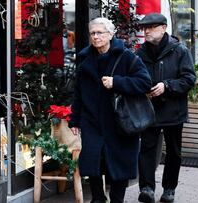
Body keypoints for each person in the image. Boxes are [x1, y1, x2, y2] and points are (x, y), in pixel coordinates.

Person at [68, 17, 152, 203]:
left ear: (111, 34)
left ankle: (116, 199)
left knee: (118, 163)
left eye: (100, 33)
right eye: (92, 33)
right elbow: (78, 91)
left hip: (119, 121)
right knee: (92, 161)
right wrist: (74, 119)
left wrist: (117, 82)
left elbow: (145, 82)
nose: (96, 37)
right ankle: (98, 198)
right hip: (92, 120)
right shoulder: (84, 57)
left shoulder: (126, 56)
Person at [136, 13, 196, 203]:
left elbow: (189, 79)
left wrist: (166, 86)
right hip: (148, 111)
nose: (145, 31)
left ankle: (169, 189)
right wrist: (142, 89)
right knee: (146, 150)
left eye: (150, 27)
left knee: (174, 152)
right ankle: (146, 188)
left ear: (163, 28)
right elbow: (134, 78)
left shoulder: (180, 51)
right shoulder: (139, 53)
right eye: (144, 28)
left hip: (173, 110)